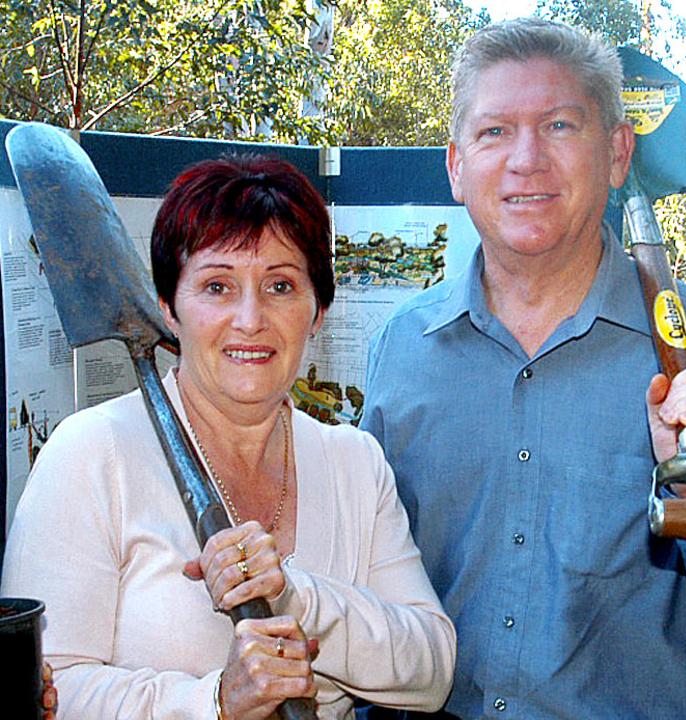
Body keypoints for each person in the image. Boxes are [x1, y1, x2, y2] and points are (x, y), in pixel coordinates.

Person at [361, 17, 686, 719]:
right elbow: (371, 572)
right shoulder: (404, 347)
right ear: (456, 167)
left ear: (615, 154)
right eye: (494, 132)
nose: (526, 159)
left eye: (559, 126)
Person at [1, 156, 456, 718]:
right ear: (168, 307)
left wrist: (296, 596)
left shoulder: (353, 463)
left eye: (281, 286)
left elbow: (431, 670)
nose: (250, 319)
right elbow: (48, 688)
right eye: (217, 286)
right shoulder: (92, 454)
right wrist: (214, 701)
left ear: (319, 311)